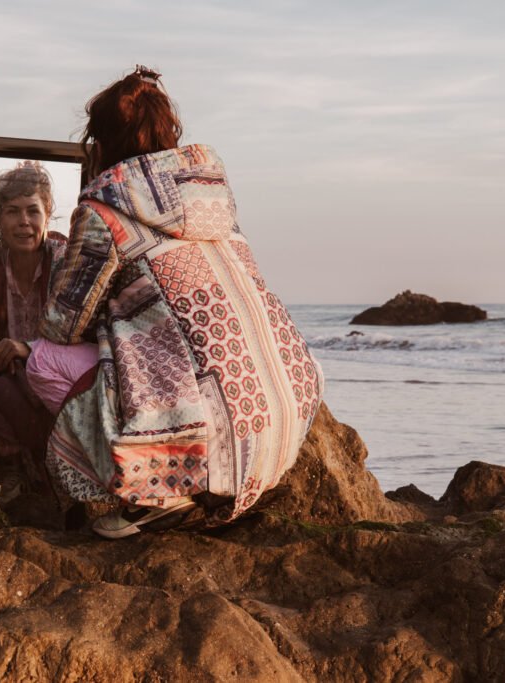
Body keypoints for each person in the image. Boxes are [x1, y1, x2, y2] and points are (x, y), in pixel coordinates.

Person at [27, 66, 324, 538]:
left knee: (43, 360)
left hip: (200, 443)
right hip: (277, 428)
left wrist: (65, 261)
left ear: (98, 144)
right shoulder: (213, 205)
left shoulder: (104, 211)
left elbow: (63, 326)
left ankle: (153, 496)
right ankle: (203, 487)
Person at [0, 161, 66, 505]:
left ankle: (56, 476)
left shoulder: (65, 262)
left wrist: (28, 349)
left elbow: (79, 333)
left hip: (57, 393)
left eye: (32, 211)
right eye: (12, 212)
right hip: (11, 389)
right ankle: (12, 467)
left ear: (47, 215)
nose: (24, 222)